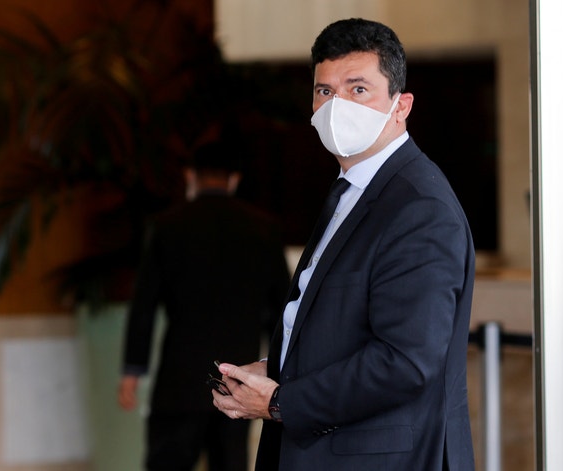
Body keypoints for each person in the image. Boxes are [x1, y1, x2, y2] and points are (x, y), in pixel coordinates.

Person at [212, 18, 477, 471]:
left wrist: (281, 401)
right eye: (325, 91)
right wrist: (278, 368)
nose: (337, 106)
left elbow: (405, 362)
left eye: (358, 89)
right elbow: (340, 325)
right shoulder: (353, 190)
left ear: (401, 105)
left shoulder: (418, 206)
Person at [118, 141, 291, 471]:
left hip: (178, 380)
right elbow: (282, 310)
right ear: (234, 179)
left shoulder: (167, 225)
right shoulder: (264, 229)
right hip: (237, 379)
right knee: (230, 462)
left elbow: (144, 307)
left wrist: (132, 370)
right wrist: (282, 372)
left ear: (190, 177)